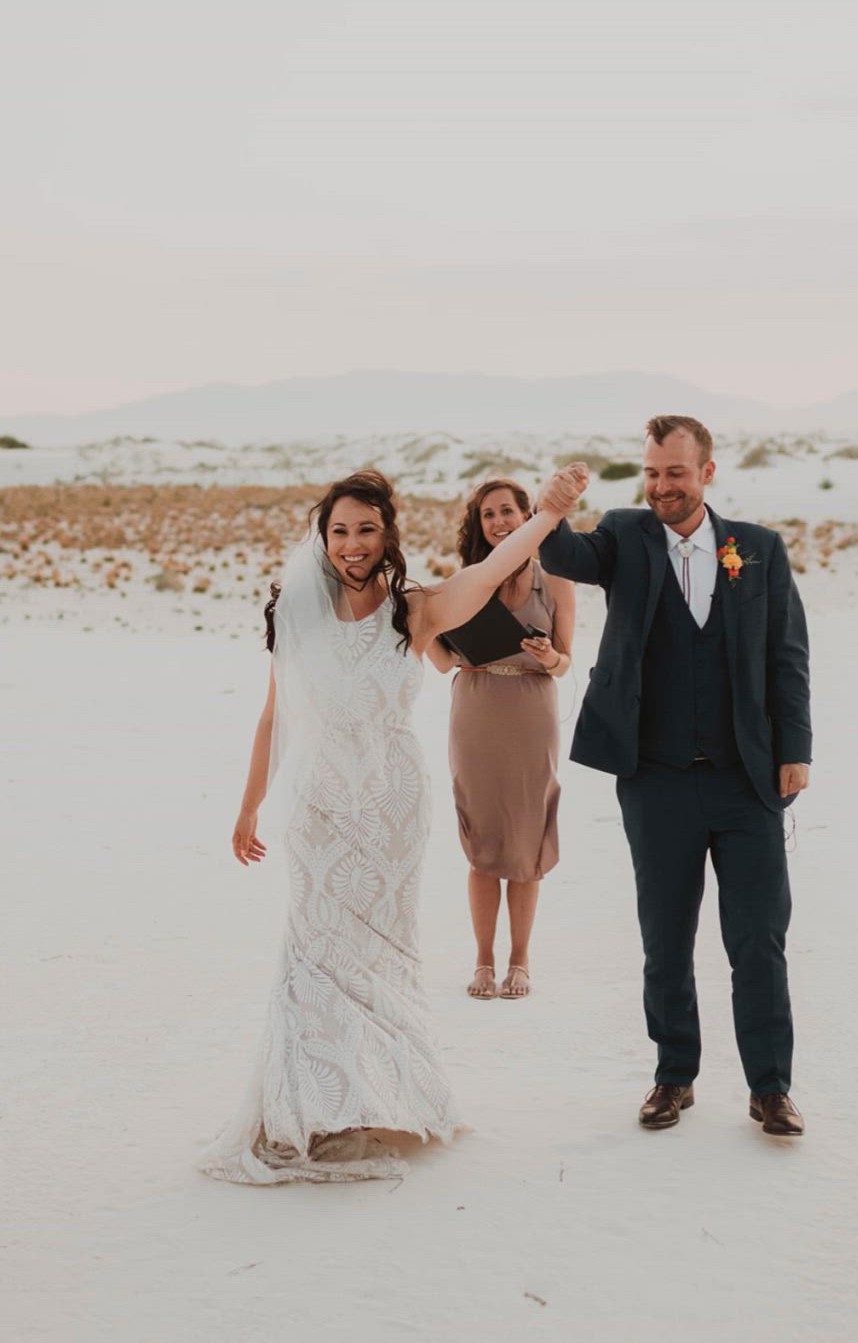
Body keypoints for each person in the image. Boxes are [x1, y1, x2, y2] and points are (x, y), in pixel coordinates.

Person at [198, 466, 586, 1185]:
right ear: (323, 537)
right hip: (316, 806)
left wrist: (551, 514)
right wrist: (249, 805)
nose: (351, 544)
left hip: (391, 810)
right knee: (314, 954)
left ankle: (374, 1097)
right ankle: (316, 1102)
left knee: (379, 959)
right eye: (339, 530)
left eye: (366, 530)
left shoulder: (416, 611)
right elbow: (274, 715)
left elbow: (494, 566)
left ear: (387, 538)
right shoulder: (295, 610)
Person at [538, 417, 812, 1138]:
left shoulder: (756, 549)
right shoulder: (624, 536)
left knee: (758, 939)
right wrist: (551, 505)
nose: (662, 486)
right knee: (665, 938)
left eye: (676, 473)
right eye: (653, 472)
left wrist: (796, 750)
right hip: (655, 781)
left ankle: (771, 1087)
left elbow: (787, 656)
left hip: (747, 780)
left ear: (707, 472)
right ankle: (673, 1075)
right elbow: (562, 555)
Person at [428, 479, 576, 1001]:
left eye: (508, 511)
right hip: (475, 709)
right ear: (478, 524)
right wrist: (422, 626)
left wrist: (547, 658)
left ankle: (521, 961)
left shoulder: (554, 578)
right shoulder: (467, 581)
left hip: (532, 709)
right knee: (484, 837)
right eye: (488, 514)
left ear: (526, 515)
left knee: (527, 838)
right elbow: (444, 659)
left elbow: (565, 662)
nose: (499, 522)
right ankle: (483, 961)